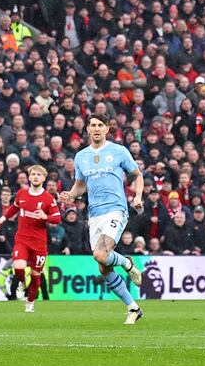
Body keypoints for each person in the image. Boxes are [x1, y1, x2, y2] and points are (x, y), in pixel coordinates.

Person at [61, 113, 146, 325]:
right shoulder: (81, 157)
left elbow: (137, 175)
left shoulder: (119, 151)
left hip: (116, 209)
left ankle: (127, 262)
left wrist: (137, 196)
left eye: (101, 125)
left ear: (107, 129)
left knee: (100, 254)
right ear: (87, 129)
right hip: (95, 214)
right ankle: (133, 307)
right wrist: (70, 195)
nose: (97, 128)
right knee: (103, 265)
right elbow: (80, 184)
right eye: (93, 125)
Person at [0, 164, 60, 313]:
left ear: (44, 178)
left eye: (39, 174)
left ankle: (30, 302)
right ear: (29, 177)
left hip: (39, 243)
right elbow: (14, 208)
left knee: (36, 276)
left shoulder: (48, 198)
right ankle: (22, 283)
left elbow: (57, 218)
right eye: (33, 174)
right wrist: (1, 219)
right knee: (18, 268)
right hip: (22, 239)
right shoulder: (21, 194)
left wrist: (46, 217)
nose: (36, 176)